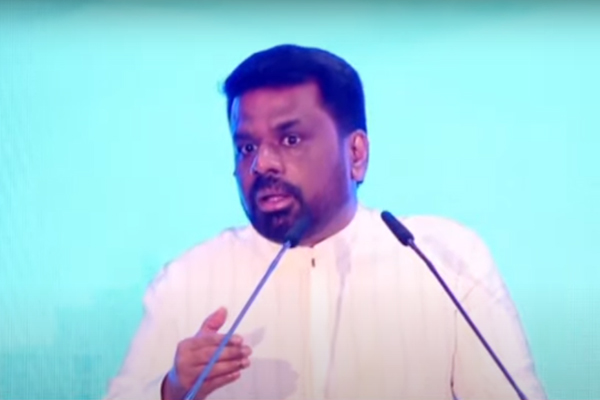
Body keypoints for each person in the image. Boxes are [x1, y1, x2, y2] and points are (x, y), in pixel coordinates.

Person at [103, 44, 547, 400]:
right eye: (246, 148)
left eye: (290, 139)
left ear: (356, 154)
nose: (262, 164)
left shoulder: (443, 259)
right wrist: (171, 391)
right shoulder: (187, 281)